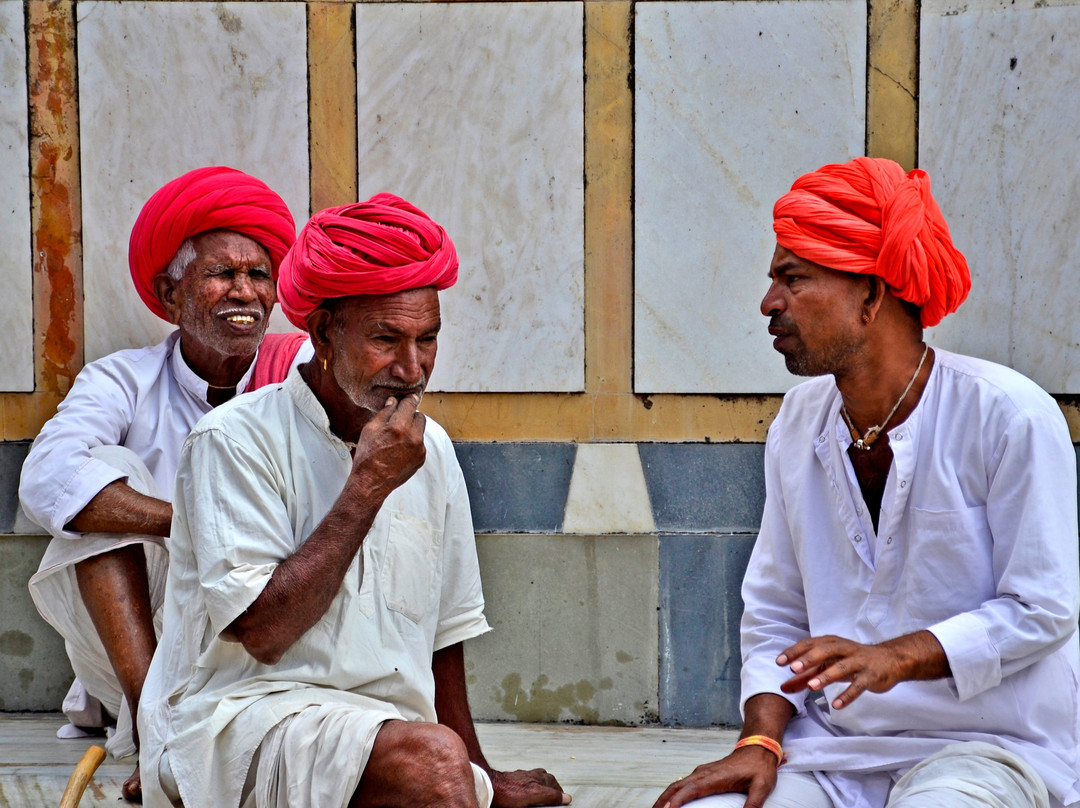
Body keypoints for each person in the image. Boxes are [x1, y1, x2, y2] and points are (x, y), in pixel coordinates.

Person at [653, 157, 1080, 808]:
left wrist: (897, 656)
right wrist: (759, 743)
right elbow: (775, 613)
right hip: (832, 750)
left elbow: (1041, 607)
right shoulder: (799, 422)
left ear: (872, 295)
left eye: (792, 279)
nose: (769, 304)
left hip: (989, 750)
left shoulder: (1008, 414)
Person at [138, 193, 571, 808]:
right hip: (238, 723)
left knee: (445, 769)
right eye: (387, 339)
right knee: (431, 766)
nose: (412, 366)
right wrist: (366, 486)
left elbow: (443, 637)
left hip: (388, 732)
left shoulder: (433, 447)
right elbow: (261, 632)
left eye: (428, 339)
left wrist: (481, 771)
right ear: (322, 331)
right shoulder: (233, 441)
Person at [20, 166, 309, 802]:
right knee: (103, 488)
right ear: (170, 294)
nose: (246, 291)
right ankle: (159, 727)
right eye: (221, 274)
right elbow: (46, 477)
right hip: (146, 639)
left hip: (267, 624)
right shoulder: (121, 380)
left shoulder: (300, 370)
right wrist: (190, 524)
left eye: (259, 275)